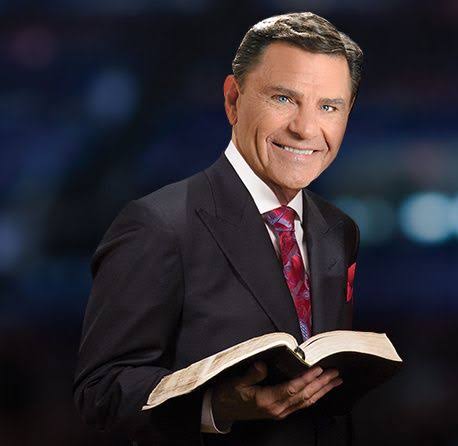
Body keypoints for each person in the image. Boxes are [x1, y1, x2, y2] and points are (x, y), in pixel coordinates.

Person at [74, 11, 363, 446]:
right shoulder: (157, 225)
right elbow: (101, 391)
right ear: (233, 99)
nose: (305, 129)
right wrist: (217, 406)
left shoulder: (338, 230)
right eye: (283, 98)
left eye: (328, 107)